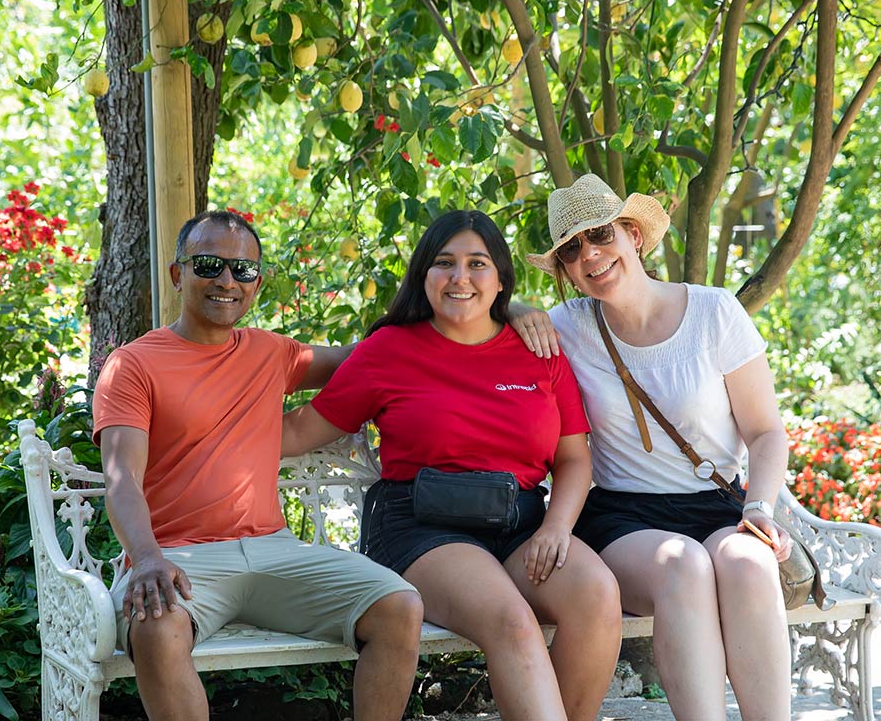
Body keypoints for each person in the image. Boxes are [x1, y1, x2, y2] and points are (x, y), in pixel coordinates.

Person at [281, 210, 623, 721]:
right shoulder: (389, 351)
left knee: (596, 595)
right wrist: (195, 423)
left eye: (477, 264)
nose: (460, 277)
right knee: (511, 620)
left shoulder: (539, 350)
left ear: (501, 278)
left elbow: (575, 458)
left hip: (520, 524)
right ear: (424, 275)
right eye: (444, 263)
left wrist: (556, 528)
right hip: (421, 528)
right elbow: (297, 431)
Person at [92, 210, 425, 721]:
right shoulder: (134, 364)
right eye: (209, 265)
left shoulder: (271, 353)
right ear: (178, 274)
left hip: (274, 551)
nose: (227, 281)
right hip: (182, 560)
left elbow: (375, 355)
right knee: (155, 624)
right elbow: (121, 478)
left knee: (398, 607)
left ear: (257, 284)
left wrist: (506, 310)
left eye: (242, 270)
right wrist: (146, 557)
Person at [522, 173, 794, 721]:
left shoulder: (716, 313)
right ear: (566, 272)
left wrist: (759, 510)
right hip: (624, 517)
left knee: (747, 563)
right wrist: (513, 311)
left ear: (633, 235)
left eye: (601, 235)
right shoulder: (566, 327)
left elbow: (766, 433)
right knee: (684, 566)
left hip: (718, 505)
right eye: (572, 250)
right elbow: (485, 316)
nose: (591, 255)